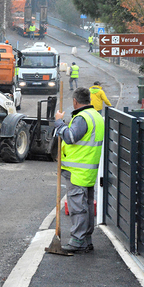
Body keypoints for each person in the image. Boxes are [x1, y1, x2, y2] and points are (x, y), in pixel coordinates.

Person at [55, 87, 105, 253]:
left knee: (78, 207)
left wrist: (59, 123)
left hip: (78, 171)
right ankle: (86, 240)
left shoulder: (82, 118)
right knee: (87, 206)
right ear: (89, 99)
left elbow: (70, 137)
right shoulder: (97, 116)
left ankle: (77, 240)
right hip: (89, 170)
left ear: (75, 101)